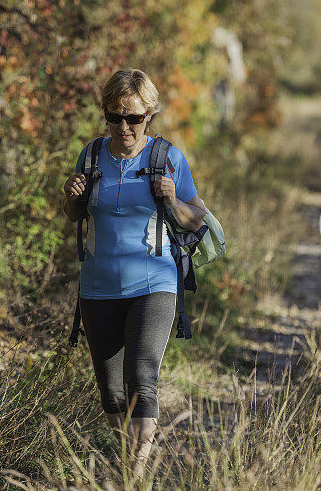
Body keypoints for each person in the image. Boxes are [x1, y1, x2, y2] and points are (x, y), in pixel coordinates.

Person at [62, 68, 207, 477]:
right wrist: (71, 198)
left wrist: (174, 202)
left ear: (149, 116)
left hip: (154, 283)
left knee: (141, 377)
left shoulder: (167, 158)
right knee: (111, 392)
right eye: (115, 117)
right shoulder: (91, 156)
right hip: (98, 286)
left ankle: (133, 476)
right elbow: (75, 216)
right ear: (105, 114)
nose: (124, 126)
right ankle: (129, 459)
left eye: (134, 118)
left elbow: (197, 219)